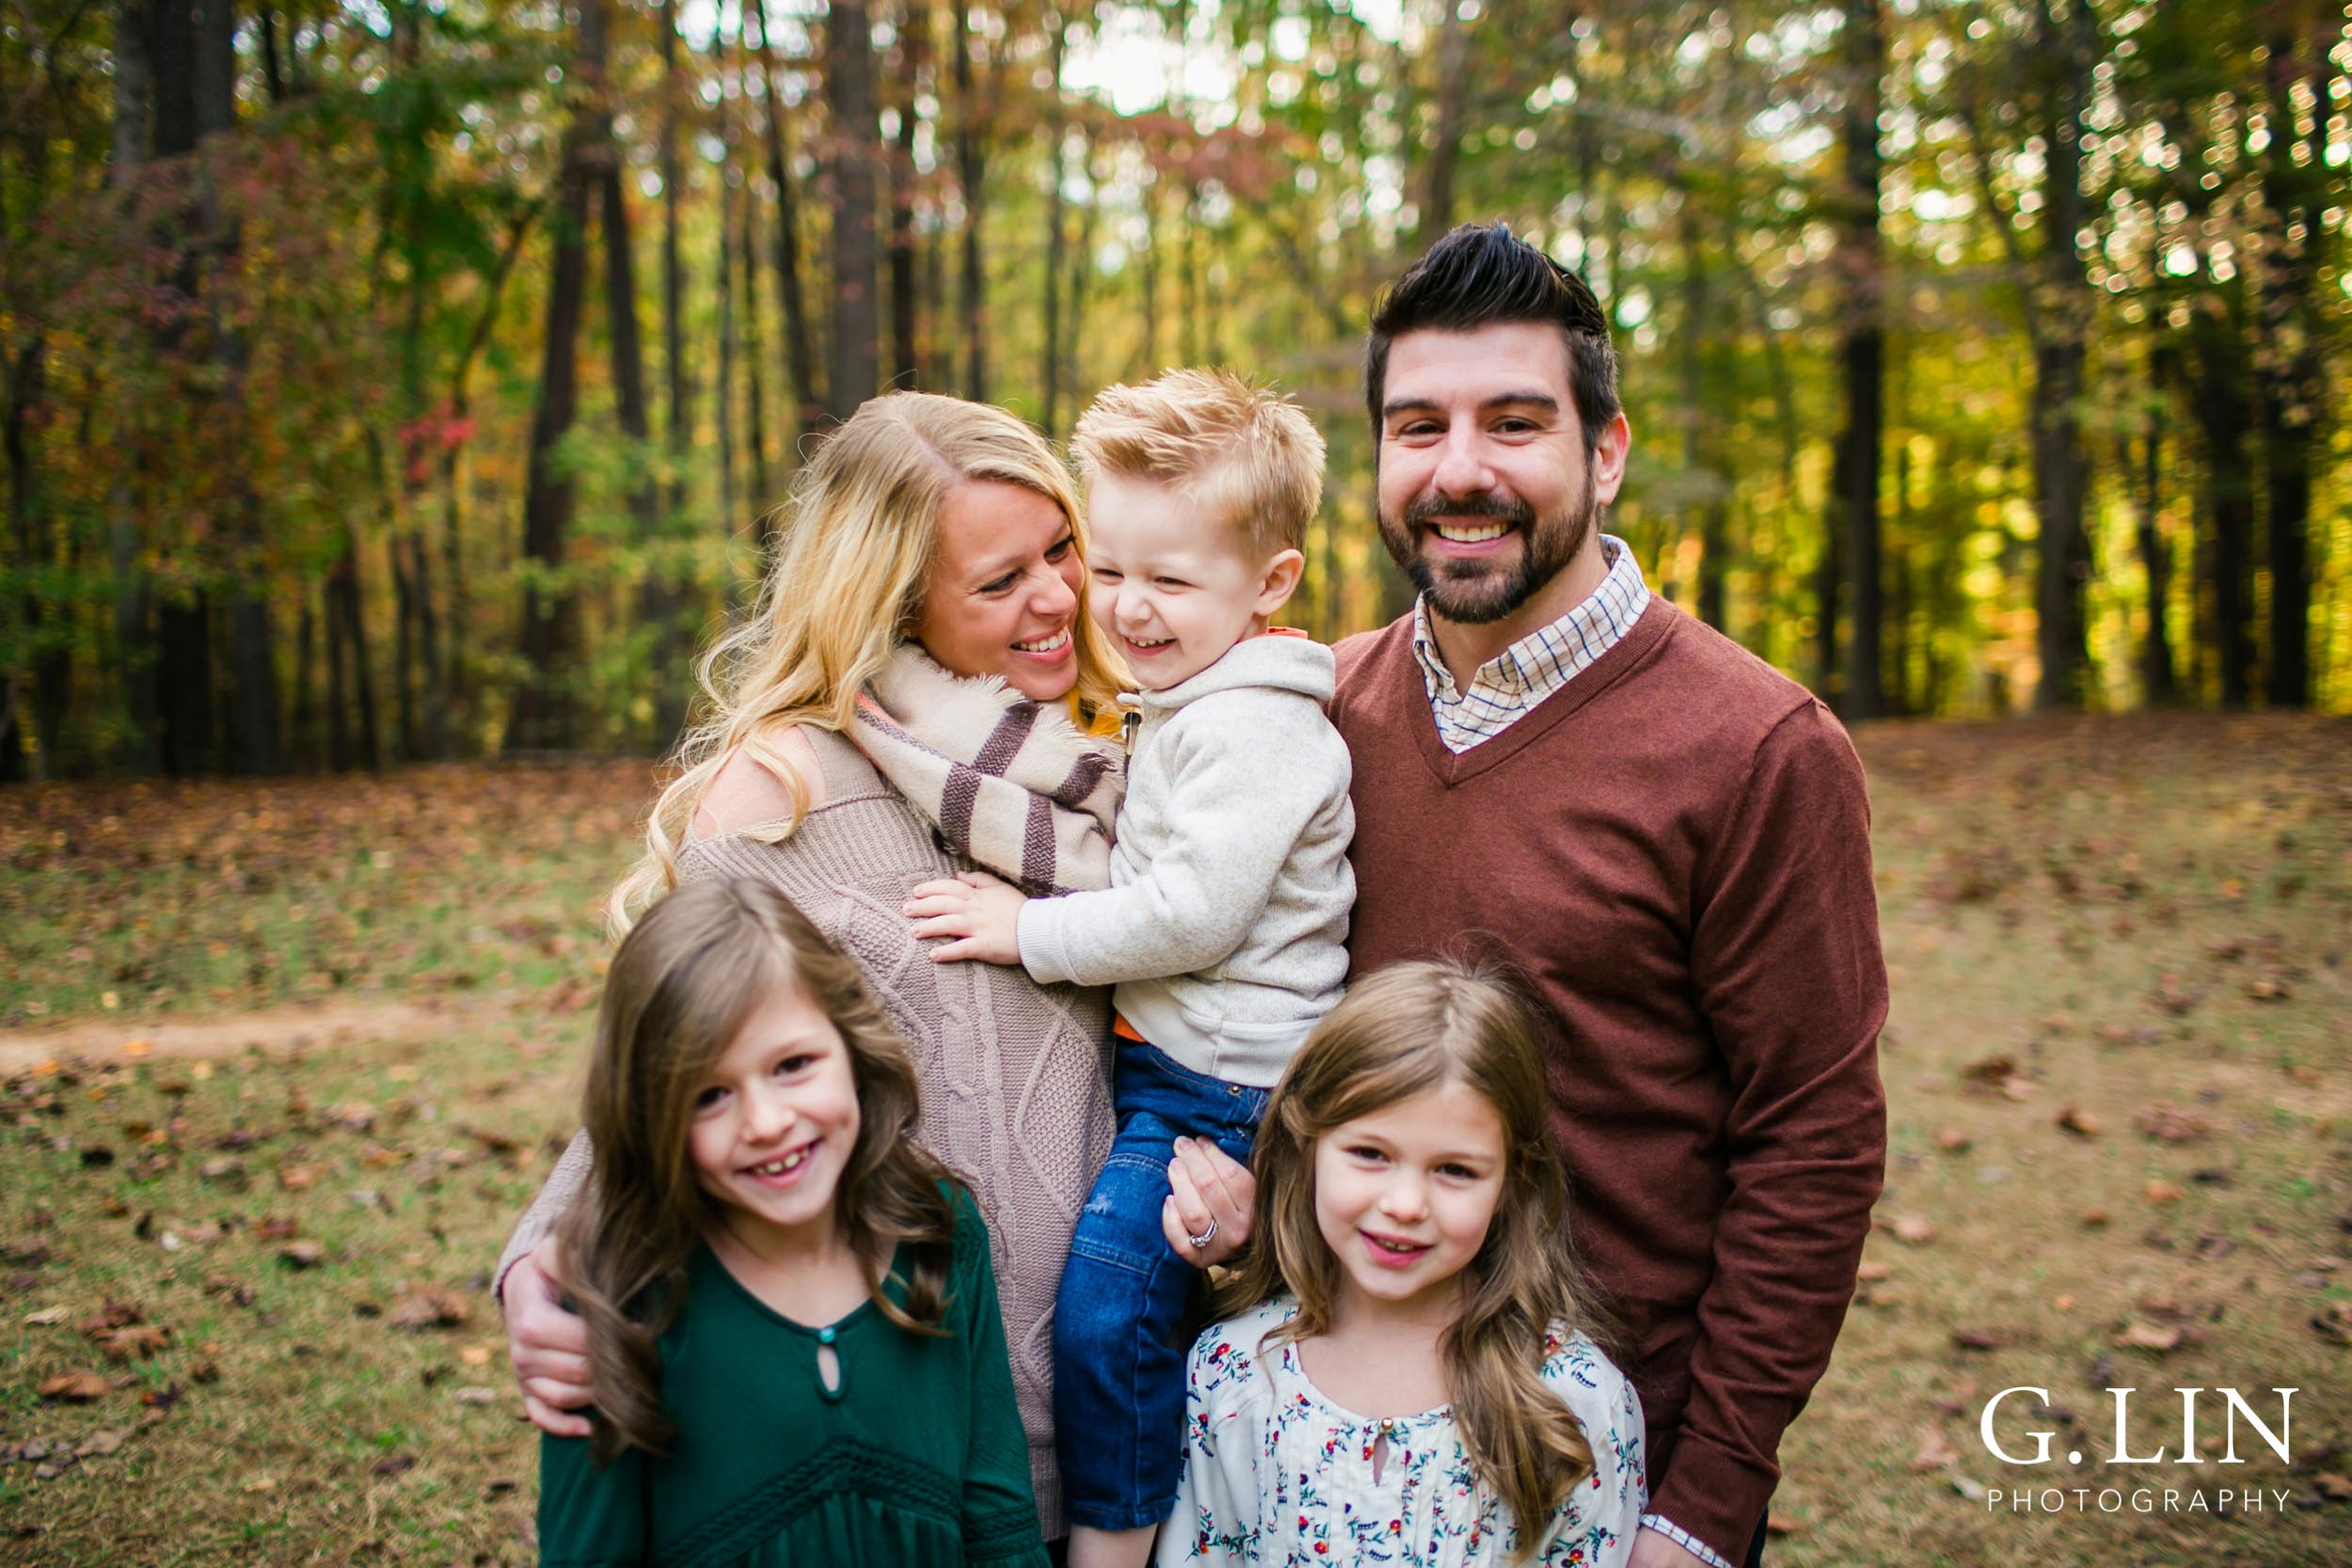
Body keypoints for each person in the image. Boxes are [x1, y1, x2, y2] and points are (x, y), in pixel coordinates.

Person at [498, 392, 1258, 1541]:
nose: (1056, 596)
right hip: (925, 1405)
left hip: (1132, 1384)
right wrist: (534, 1261)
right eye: (998, 581)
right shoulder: (785, 794)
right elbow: (680, 1055)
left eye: (1062, 549)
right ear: (896, 597)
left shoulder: (1128, 750)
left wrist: (1243, 1194)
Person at [1330, 223, 1888, 1568]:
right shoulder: (1310, 713)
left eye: (1514, 422)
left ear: (1608, 448)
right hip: (1325, 1449)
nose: (1460, 471)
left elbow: (1811, 1139)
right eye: (1419, 427)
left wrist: (1702, 1509)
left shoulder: (1757, 748)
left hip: (1608, 1471)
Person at [906, 370, 1354, 1568]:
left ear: (1270, 583)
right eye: (1108, 570)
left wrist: (1021, 928)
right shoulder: (1188, 699)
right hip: (1181, 1067)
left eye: (1169, 578)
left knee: (1108, 1311)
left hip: (1225, 1090)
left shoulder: (1252, 726)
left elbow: (1194, 915)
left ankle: (1115, 1550)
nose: (1125, 607)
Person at [534, 879, 1048, 1566]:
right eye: (710, 1094)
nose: (767, 1123)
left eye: (794, 1064)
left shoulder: (940, 1235)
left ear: (852, 1046)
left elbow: (1000, 1520)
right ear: (649, 1112)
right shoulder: (622, 1297)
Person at [1159, 959, 1645, 1567]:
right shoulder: (1234, 1375)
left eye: (1455, 1170)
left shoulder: (1572, 1405)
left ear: (1512, 1180)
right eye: (1370, 1152)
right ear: (1308, 1145)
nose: (1406, 1204)